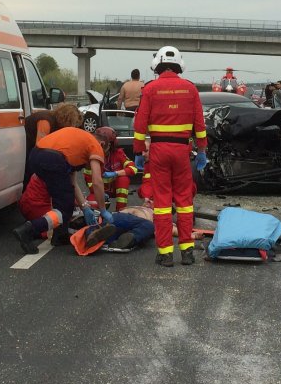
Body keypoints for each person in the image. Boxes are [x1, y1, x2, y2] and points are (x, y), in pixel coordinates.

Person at [133, 44, 207, 267]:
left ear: (158, 65)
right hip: (182, 151)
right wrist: (202, 150)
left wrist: (138, 151)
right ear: (179, 65)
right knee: (185, 202)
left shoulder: (150, 89)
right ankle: (187, 252)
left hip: (158, 151)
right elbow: (200, 125)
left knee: (162, 204)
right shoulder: (191, 89)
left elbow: (140, 124)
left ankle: (165, 254)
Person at [13, 125, 111, 254]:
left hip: (36, 155)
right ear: (102, 143)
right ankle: (28, 230)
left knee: (64, 200)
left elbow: (72, 183)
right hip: (52, 160)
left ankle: (60, 235)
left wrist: (85, 207)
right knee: (64, 209)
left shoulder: (78, 142)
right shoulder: (95, 145)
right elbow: (97, 181)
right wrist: (103, 210)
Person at [84, 127, 138, 211]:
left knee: (123, 179)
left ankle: (120, 211)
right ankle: (99, 218)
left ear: (109, 144)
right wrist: (97, 192)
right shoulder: (92, 155)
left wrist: (116, 173)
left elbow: (133, 169)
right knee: (91, 204)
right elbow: (89, 179)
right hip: (99, 190)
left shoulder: (118, 153)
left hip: (114, 188)